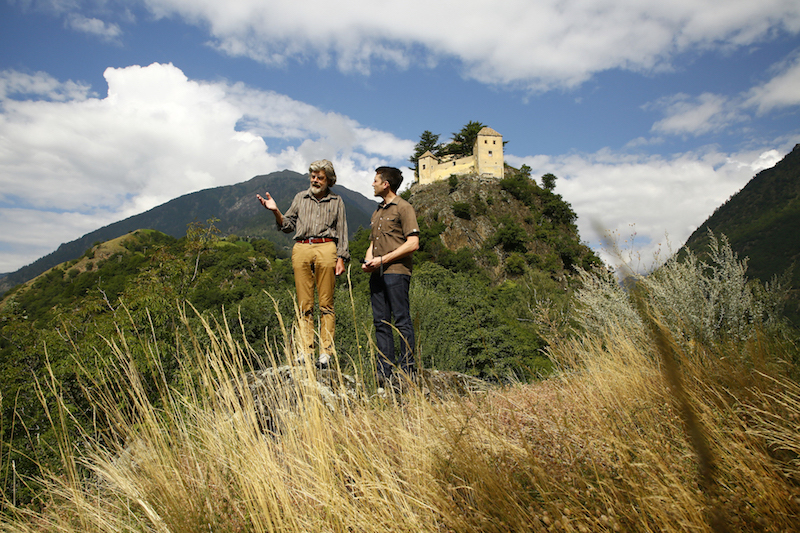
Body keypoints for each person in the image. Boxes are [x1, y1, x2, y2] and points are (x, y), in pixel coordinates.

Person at [257, 160, 349, 368]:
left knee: (326, 304)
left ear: (329, 180)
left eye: (320, 177)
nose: (315, 180)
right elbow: (287, 226)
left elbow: (342, 230)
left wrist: (342, 257)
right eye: (313, 176)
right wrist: (275, 211)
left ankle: (326, 353)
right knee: (303, 304)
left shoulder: (337, 201)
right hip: (301, 248)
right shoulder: (300, 198)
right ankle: (305, 350)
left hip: (327, 247)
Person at [361, 166, 420, 386]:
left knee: (402, 320)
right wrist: (369, 260)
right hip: (377, 272)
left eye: (375, 180)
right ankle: (384, 372)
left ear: (386, 184)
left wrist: (383, 260)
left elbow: (413, 244)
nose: (372, 184)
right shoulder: (377, 211)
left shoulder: (404, 208)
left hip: (396, 272)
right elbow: (372, 243)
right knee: (380, 322)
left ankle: (407, 372)